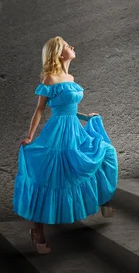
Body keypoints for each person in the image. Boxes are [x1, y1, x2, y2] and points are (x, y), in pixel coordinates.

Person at [12, 36, 118, 254]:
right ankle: (37, 231)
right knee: (50, 175)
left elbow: (68, 107)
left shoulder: (70, 77)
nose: (72, 46)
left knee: (104, 152)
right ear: (60, 53)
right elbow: (40, 110)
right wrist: (30, 136)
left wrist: (85, 116)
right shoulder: (49, 79)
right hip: (58, 133)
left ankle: (104, 198)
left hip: (74, 129)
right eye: (67, 46)